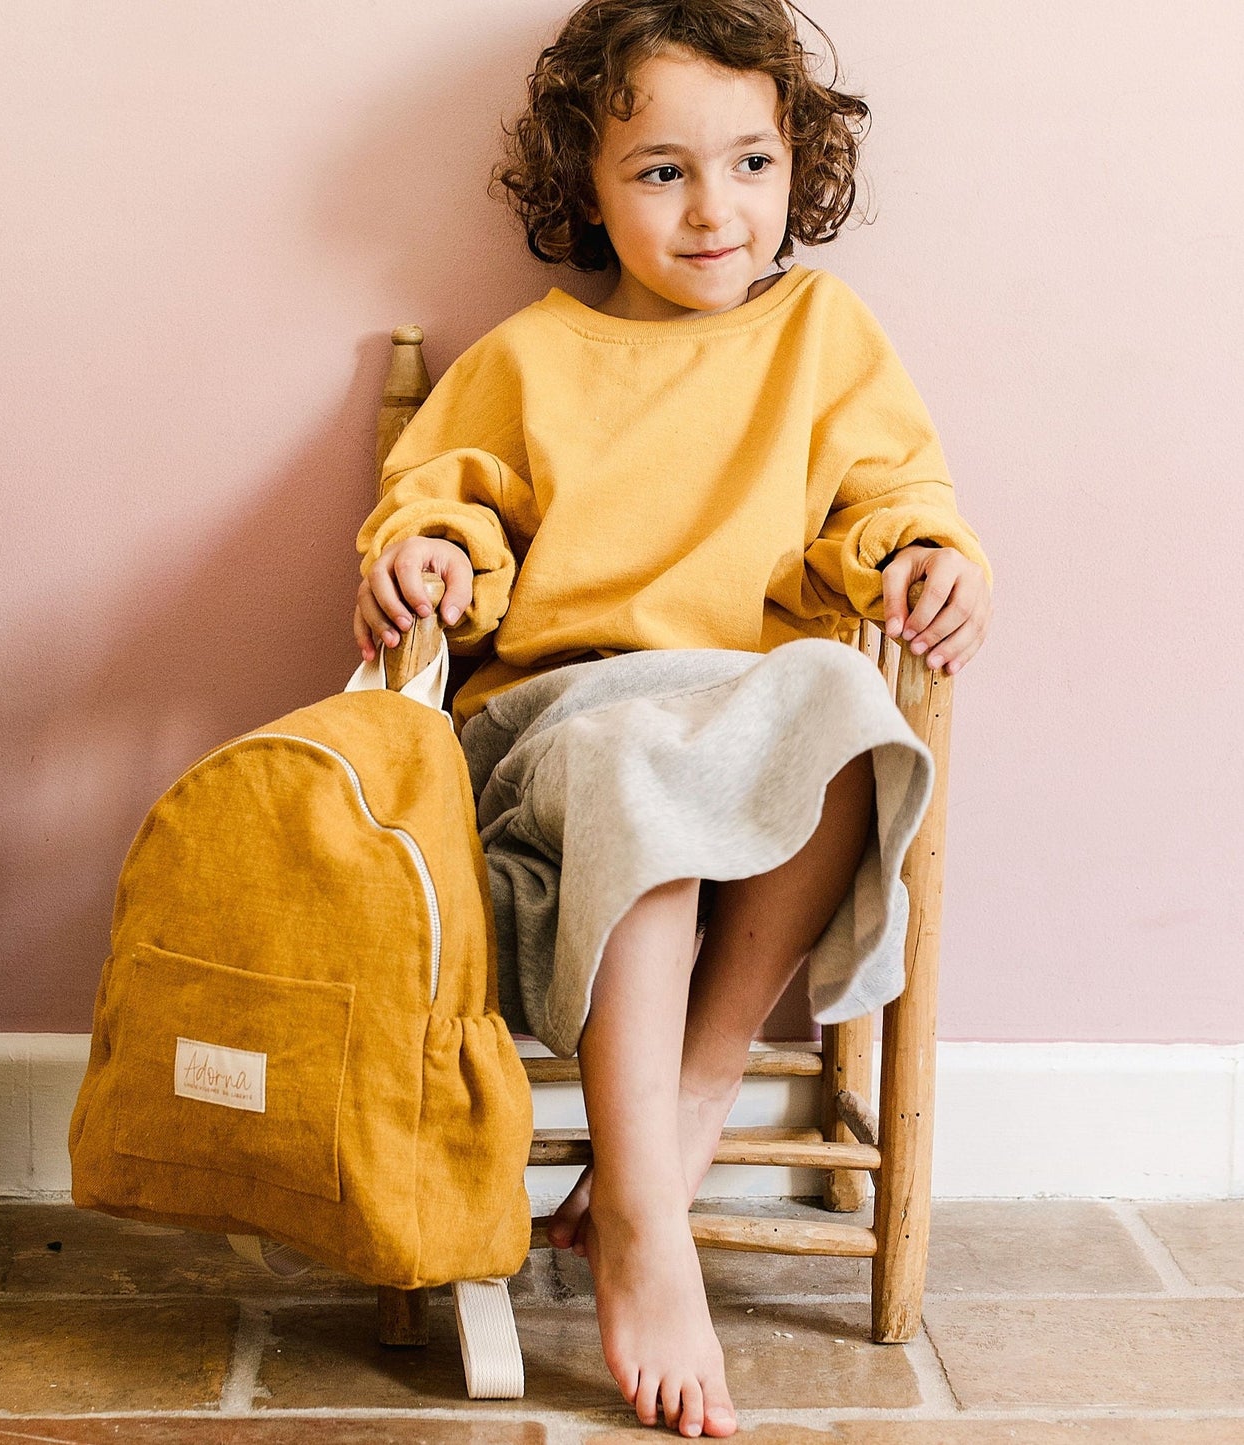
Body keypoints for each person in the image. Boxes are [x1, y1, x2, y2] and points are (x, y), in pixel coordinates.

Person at [354, 1, 993, 1435]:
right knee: (636, 762)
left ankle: (691, 1097)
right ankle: (647, 1223)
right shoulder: (530, 358)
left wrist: (924, 559)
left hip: (748, 714)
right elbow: (445, 499)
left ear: (796, 168)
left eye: (750, 164)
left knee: (839, 692)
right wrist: (430, 554)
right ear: (584, 179)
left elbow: (888, 501)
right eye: (661, 171)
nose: (715, 210)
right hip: (564, 727)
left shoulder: (822, 334)